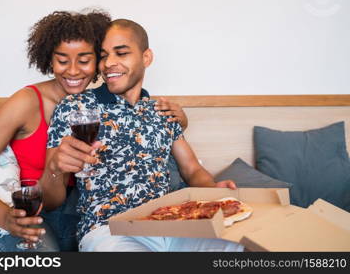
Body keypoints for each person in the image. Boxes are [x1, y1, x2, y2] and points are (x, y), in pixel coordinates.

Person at [0, 10, 187, 252]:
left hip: (81, 207)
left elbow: (149, 133)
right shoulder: (27, 102)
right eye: (62, 60)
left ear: (97, 61)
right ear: (49, 60)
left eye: (84, 60)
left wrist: (180, 122)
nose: (73, 71)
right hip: (34, 211)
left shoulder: (106, 104)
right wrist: (6, 217)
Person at [43, 19, 243, 251]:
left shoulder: (161, 109)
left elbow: (191, 169)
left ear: (146, 58)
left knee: (234, 248)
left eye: (121, 53)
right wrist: (55, 169)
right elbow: (49, 200)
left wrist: (214, 188)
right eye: (104, 55)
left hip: (172, 223)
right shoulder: (75, 106)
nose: (109, 63)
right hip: (109, 231)